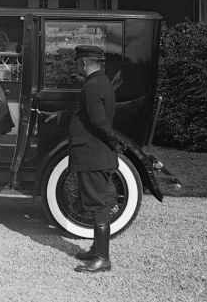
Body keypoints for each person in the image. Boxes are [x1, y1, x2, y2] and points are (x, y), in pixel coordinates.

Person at [69, 45, 124, 273]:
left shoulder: (92, 85)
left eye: (77, 64)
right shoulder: (102, 82)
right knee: (96, 205)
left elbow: (99, 122)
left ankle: (102, 258)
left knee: (98, 206)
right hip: (96, 153)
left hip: (92, 155)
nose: (76, 67)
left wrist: (114, 142)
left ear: (83, 63)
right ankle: (96, 250)